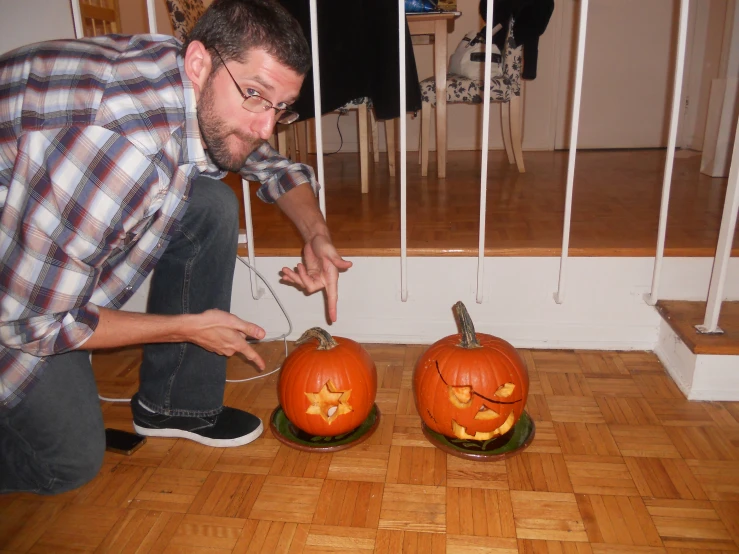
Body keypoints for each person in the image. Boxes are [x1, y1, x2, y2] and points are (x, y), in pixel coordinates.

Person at [0, 0, 351, 495]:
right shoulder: (118, 151)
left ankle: (175, 406)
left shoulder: (189, 72)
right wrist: (185, 328)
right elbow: (31, 324)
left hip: (42, 233)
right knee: (68, 461)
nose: (265, 126)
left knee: (208, 202)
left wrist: (316, 234)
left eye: (280, 108)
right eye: (254, 96)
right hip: (19, 299)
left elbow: (269, 163)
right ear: (199, 64)